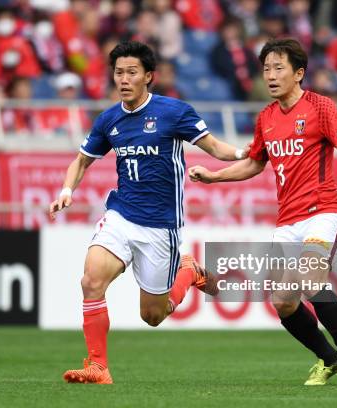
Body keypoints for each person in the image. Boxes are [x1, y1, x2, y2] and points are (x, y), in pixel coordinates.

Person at [49, 41, 249, 384]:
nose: (123, 79)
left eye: (131, 73)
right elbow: (82, 160)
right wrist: (67, 190)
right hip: (122, 215)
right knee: (91, 280)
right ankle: (98, 366)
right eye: (118, 73)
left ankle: (188, 271)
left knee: (153, 316)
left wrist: (247, 151)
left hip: (161, 227)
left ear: (148, 76)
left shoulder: (174, 112)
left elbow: (214, 147)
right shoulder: (109, 119)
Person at [188, 38, 337, 386]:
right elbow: (255, 164)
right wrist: (214, 177)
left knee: (312, 280)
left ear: (299, 73)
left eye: (278, 68)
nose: (270, 75)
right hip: (288, 220)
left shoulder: (321, 106)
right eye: (266, 68)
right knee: (282, 300)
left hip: (323, 212)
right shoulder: (266, 118)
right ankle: (329, 359)